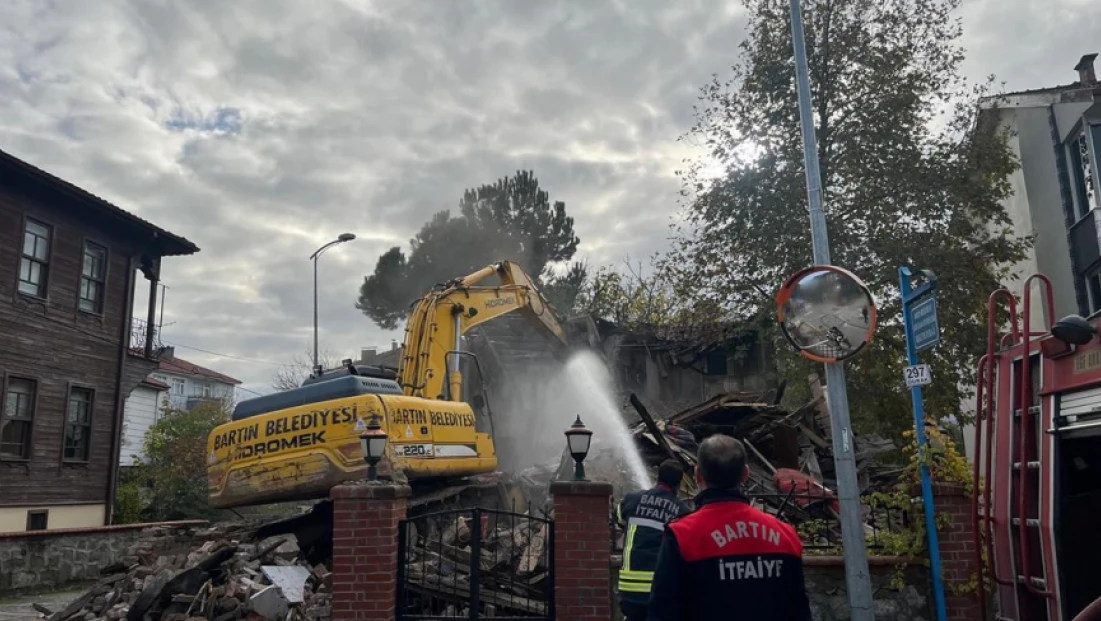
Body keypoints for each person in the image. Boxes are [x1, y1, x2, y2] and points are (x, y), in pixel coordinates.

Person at [647, 435, 811, 621]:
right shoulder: (785, 535)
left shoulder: (682, 535)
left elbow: (662, 610)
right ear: (745, 474)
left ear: (698, 474)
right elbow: (799, 610)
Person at [615, 459, 691, 621]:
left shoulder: (631, 499)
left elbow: (619, 519)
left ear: (658, 477)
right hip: (661, 590)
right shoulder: (682, 512)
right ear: (678, 484)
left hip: (629, 591)